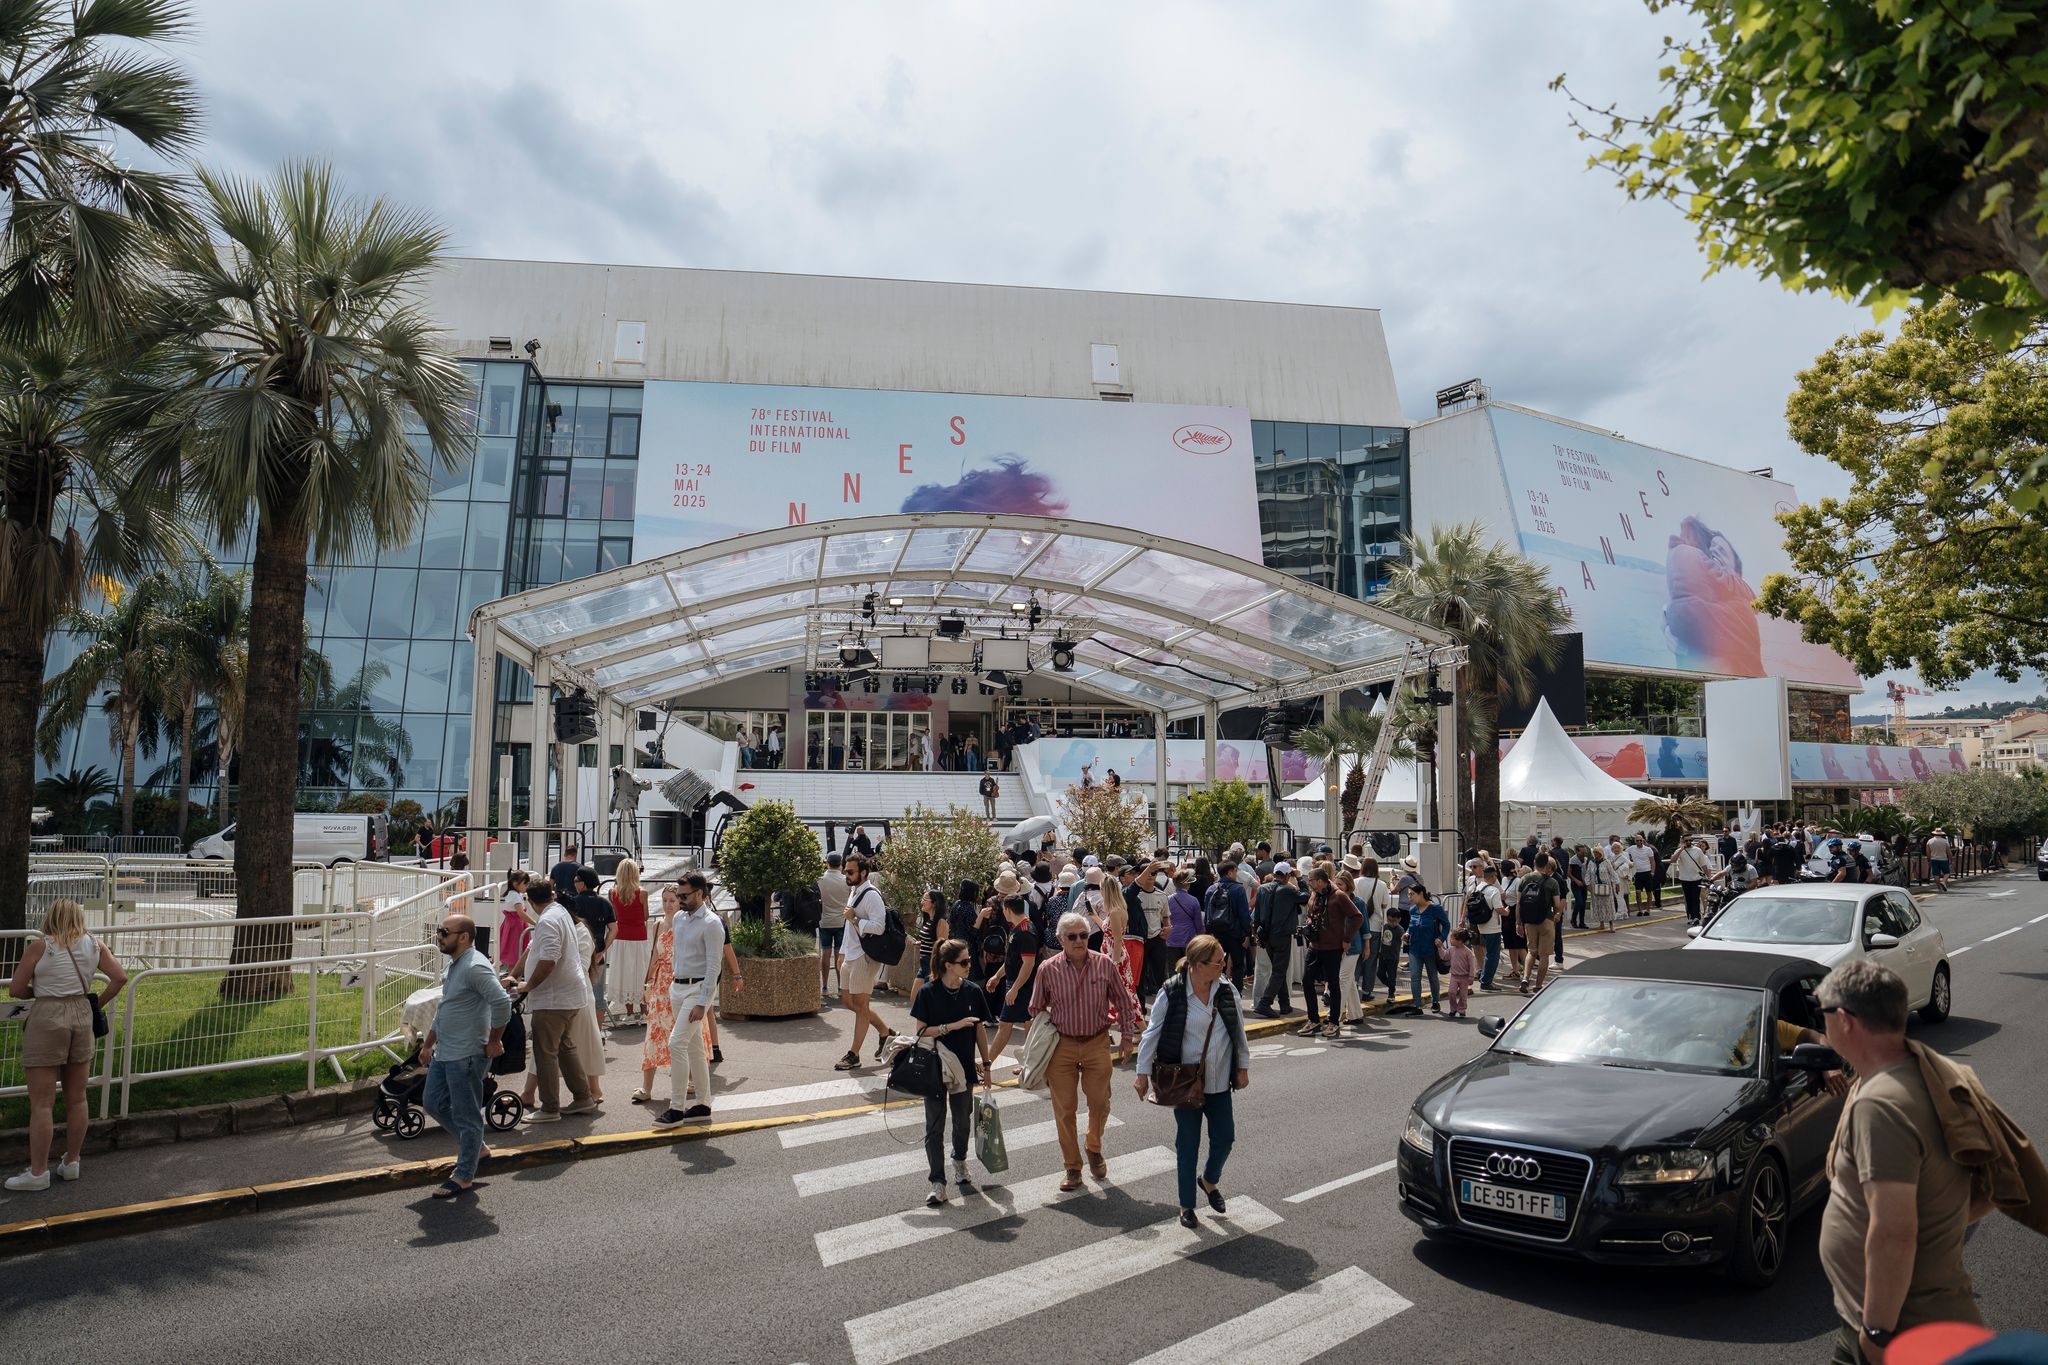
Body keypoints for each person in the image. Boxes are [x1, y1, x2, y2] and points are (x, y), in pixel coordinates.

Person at [1818, 961, 1992, 1362]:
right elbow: (2001, 1180)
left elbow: (1895, 1231)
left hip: (1902, 1328)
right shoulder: (1924, 1076)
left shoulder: (1882, 1103)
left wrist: (1878, 1332)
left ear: (1844, 1021)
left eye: (1823, 1015)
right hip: (1881, 1318)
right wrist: (1942, 1221)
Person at [4, 900, 126, 1192]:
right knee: (77, 1097)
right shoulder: (96, 945)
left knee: (42, 1102)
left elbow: (16, 989)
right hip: (82, 1015)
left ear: (51, 917)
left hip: (47, 1014)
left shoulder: (40, 947)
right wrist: (97, 1003)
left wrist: (40, 991)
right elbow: (119, 977)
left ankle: (38, 1172)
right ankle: (71, 1162)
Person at [1134, 934, 1250, 1229]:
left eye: (1223, 960)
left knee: (1225, 1138)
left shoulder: (1226, 990)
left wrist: (1243, 1067)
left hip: (1219, 1080)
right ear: (1198, 965)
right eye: (1218, 961)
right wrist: (1142, 1073)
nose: (1223, 965)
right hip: (1185, 1082)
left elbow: (1238, 1032)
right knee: (1187, 1144)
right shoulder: (1172, 991)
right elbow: (1153, 1033)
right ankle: (1186, 1204)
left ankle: (1209, 1180)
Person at [1029, 910, 1141, 1192]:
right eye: (1072, 936)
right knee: (1065, 1110)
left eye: (1083, 935)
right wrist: (1036, 1049)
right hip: (1062, 1046)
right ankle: (1072, 1167)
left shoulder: (1104, 964)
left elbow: (1124, 1003)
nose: (1079, 941)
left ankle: (1094, 1145)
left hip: (1097, 1042)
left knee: (1100, 1102)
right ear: (1060, 939)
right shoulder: (1047, 969)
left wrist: (1127, 1038)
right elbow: (1035, 1008)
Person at [422, 912, 512, 1198]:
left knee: (466, 1114)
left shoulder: (475, 966)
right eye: (439, 931)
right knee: (432, 1102)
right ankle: (477, 1147)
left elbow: (501, 1003)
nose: (439, 936)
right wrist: (428, 1044)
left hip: (468, 1054)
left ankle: (463, 1175)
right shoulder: (454, 965)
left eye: (444, 932)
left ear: (463, 937)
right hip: (445, 1050)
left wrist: (494, 1042)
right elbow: (445, 1007)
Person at [912, 938, 996, 1207]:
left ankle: (959, 1160)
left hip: (964, 1069)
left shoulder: (973, 992)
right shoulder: (928, 992)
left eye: (969, 960)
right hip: (935, 1069)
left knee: (962, 1122)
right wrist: (953, 1026)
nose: (970, 965)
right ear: (948, 965)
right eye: (964, 962)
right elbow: (921, 1031)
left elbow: (980, 1029)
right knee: (934, 1127)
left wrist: (987, 1063)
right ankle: (938, 1182)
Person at [510, 879, 598, 1123]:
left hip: (554, 998)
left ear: (529, 901)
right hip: (569, 994)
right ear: (551, 894)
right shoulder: (558, 912)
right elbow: (532, 949)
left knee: (545, 1052)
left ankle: (549, 1108)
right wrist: (513, 975)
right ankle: (583, 1097)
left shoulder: (548, 920)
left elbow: (548, 960)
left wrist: (528, 984)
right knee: (564, 1047)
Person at [655, 872, 729, 1126]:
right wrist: (673, 986)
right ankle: (703, 1104)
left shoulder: (711, 923)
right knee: (695, 1047)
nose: (679, 900)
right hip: (679, 987)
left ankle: (676, 1108)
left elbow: (713, 967)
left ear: (700, 894)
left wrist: (703, 1002)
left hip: (697, 990)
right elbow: (678, 955)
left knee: (677, 1043)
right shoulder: (679, 919)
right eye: (678, 895)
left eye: (684, 896)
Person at [833, 852, 898, 1071]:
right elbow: (848, 925)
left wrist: (855, 919)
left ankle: (854, 1054)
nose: (846, 875)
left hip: (865, 956)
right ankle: (886, 1033)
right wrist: (842, 950)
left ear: (863, 872)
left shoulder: (871, 895)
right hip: (850, 954)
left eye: (850, 872)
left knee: (861, 1006)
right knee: (848, 1001)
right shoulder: (854, 891)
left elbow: (878, 926)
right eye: (845, 871)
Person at [1299, 866, 1361, 1037]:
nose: (1308, 883)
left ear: (1320, 881)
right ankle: (1313, 1019)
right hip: (1315, 945)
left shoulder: (1339, 896)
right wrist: (1310, 923)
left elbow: (1357, 917)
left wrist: (1347, 939)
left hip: (1332, 947)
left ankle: (1334, 1021)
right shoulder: (1315, 894)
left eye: (1310, 880)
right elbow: (1312, 913)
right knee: (1307, 981)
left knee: (1333, 984)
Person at [635, 885, 679, 1104]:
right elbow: (654, 953)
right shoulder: (659, 924)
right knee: (653, 1032)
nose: (668, 904)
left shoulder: (685, 924)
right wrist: (648, 981)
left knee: (678, 1034)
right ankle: (646, 1087)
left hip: (678, 983)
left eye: (672, 900)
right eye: (665, 900)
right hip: (661, 983)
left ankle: (686, 1081)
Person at [987, 894, 1039, 1061]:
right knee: (1029, 1024)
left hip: (1021, 987)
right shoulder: (1018, 928)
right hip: (1016, 984)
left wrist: (1014, 989)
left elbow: (1028, 964)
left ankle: (987, 1064)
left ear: (1008, 910)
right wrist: (997, 976)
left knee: (1004, 1024)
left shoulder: (1025, 932)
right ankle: (1031, 1064)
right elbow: (1012, 960)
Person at [569, 867, 616, 1031]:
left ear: (582, 883)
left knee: (575, 995)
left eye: (576, 881)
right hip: (597, 957)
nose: (574, 884)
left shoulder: (572, 903)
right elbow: (614, 929)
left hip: (575, 957)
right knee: (598, 997)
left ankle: (578, 1032)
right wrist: (602, 950)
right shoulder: (604, 903)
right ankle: (598, 1032)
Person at [1253, 861, 1302, 1017]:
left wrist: (1258, 934)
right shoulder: (1287, 890)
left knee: (1278, 970)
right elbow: (1305, 897)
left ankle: (1284, 1003)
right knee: (1279, 971)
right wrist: (1300, 880)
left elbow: (1258, 914)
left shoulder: (1262, 889)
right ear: (1287, 876)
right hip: (1281, 935)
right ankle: (1265, 1003)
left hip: (1266, 935)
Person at [607, 858, 651, 1023]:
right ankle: (644, 1011)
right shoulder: (642, 892)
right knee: (641, 973)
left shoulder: (613, 892)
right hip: (639, 936)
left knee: (624, 973)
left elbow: (615, 914)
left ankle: (630, 1013)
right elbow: (645, 916)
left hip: (621, 936)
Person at [1517, 853, 1566, 995]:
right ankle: (1538, 985)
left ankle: (1525, 978)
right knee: (1544, 955)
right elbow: (1557, 903)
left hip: (1529, 921)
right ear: (1547, 866)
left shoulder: (1525, 879)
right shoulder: (1552, 882)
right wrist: (1557, 913)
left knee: (1531, 951)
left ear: (1533, 862)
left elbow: (1519, 903)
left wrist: (1518, 922)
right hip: (1546, 920)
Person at [1403, 882, 1451, 1014]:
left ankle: (1435, 1001)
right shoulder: (1413, 910)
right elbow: (1411, 925)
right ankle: (1417, 1006)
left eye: (1412, 894)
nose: (1409, 897)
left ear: (1421, 894)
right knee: (1414, 976)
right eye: (1408, 894)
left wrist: (1441, 939)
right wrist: (1407, 933)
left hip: (1430, 949)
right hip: (1414, 948)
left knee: (1432, 977)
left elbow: (1446, 925)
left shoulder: (1435, 909)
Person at [1353, 857, 1391, 1009]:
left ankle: (1353, 987)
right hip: (1374, 926)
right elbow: (1384, 904)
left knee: (1354, 958)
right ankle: (1367, 991)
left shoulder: (1355, 882)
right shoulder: (1381, 884)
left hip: (1356, 925)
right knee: (1371, 960)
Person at [817, 851, 849, 996]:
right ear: (840, 864)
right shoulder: (845, 880)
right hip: (841, 920)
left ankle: (824, 986)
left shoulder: (820, 880)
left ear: (827, 863)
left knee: (825, 953)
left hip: (825, 921)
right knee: (839, 955)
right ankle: (841, 987)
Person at [496, 869, 533, 974]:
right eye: (525, 883)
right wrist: (535, 923)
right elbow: (521, 913)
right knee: (515, 956)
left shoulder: (512, 894)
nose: (526, 886)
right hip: (516, 927)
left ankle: (512, 980)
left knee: (514, 957)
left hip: (511, 925)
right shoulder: (516, 896)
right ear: (515, 883)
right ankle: (512, 981)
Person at [1673, 835, 1712, 925]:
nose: (1688, 842)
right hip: (1685, 879)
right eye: (1686, 840)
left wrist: (1707, 877)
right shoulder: (1680, 851)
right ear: (1683, 841)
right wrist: (1680, 849)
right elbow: (1673, 860)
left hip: (1696, 878)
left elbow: (1704, 865)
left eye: (1690, 840)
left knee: (1695, 898)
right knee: (1688, 899)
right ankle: (1691, 916)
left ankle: (1696, 917)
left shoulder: (1697, 851)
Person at [1445, 925, 1481, 1019]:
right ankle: (1453, 1008)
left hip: (1464, 977)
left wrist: (1471, 977)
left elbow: (1472, 966)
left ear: (1460, 940)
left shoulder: (1468, 952)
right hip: (1454, 976)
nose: (1450, 940)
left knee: (1463, 995)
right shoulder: (1451, 950)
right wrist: (1440, 948)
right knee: (1451, 992)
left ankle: (1461, 1009)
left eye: (1452, 938)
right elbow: (1444, 957)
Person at [1586, 845, 1622, 933]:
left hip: (1606, 887)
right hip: (1595, 887)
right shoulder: (1591, 863)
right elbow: (1588, 874)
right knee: (1598, 905)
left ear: (1600, 853)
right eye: (1594, 853)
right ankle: (1601, 924)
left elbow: (1612, 873)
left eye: (1597, 853)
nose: (1595, 854)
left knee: (1608, 905)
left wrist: (1617, 883)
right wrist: (1587, 884)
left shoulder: (1606, 862)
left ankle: (1611, 925)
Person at [1626, 834, 1661, 910]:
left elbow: (1653, 862)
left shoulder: (1648, 849)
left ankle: (1648, 909)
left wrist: (1652, 872)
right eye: (1637, 840)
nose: (1639, 842)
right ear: (1635, 841)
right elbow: (1624, 854)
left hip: (1647, 872)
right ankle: (1640, 910)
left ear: (1643, 840)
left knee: (1649, 892)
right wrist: (1629, 862)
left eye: (1640, 840)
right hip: (1638, 873)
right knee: (1638, 892)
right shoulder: (1631, 848)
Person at [1567, 845, 1590, 929]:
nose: (1584, 853)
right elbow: (1568, 873)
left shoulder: (1586, 859)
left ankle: (1582, 922)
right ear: (1577, 851)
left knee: (1583, 903)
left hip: (1583, 883)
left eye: (1585, 852)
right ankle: (1573, 920)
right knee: (1579, 902)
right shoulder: (1572, 860)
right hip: (1576, 884)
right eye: (1582, 852)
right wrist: (1575, 880)